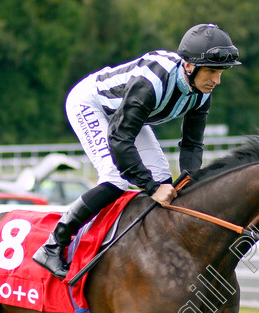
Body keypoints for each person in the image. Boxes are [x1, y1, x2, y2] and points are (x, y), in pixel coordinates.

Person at [32, 23, 241, 279]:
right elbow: (120, 139)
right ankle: (53, 244)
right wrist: (151, 189)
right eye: (211, 71)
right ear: (189, 66)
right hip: (92, 104)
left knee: (164, 176)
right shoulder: (151, 83)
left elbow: (192, 144)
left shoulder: (201, 92)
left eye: (220, 72)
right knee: (116, 177)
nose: (216, 81)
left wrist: (189, 183)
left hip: (127, 116)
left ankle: (157, 248)